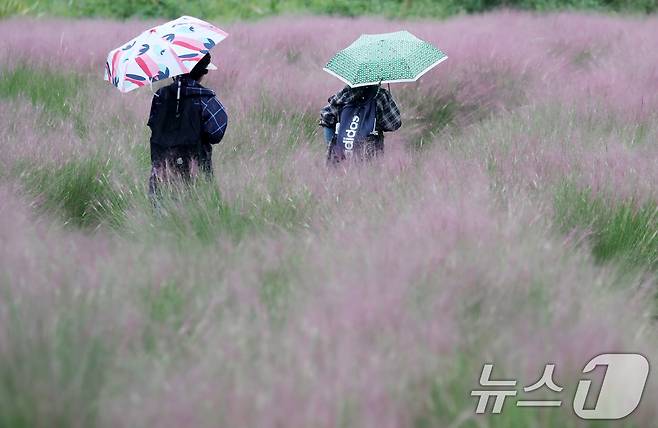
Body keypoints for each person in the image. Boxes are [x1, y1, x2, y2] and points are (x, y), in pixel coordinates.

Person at [147, 53, 228, 198]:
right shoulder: (206, 99)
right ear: (202, 72)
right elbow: (216, 134)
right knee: (197, 216)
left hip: (160, 174)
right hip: (197, 175)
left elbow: (154, 125)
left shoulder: (160, 95)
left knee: (160, 215)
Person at [319, 84, 401, 164]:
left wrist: (331, 145)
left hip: (340, 157)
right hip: (371, 158)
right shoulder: (380, 95)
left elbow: (326, 117)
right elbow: (394, 124)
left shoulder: (345, 94)